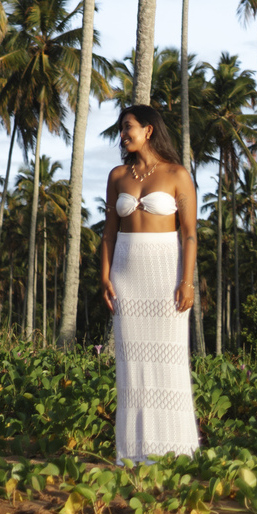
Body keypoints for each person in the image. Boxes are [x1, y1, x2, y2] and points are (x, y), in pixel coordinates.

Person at [99, 103, 200, 464]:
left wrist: (187, 282)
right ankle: (133, 452)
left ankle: (176, 451)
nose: (122, 134)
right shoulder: (117, 176)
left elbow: (189, 234)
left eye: (128, 127)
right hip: (126, 276)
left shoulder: (177, 174)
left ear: (148, 130)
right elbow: (109, 233)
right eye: (121, 129)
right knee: (131, 365)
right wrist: (104, 276)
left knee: (170, 361)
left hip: (165, 274)